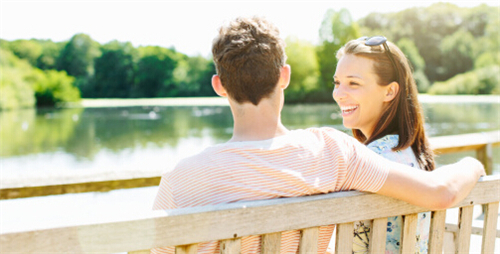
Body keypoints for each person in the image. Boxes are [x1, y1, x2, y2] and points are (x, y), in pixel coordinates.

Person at [152, 17, 484, 254]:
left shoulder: (180, 181)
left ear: (219, 86)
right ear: (284, 76)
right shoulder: (332, 151)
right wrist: (473, 163)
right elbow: (440, 192)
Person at [333, 36, 435, 254]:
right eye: (337, 83)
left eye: (353, 83)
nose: (338, 94)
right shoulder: (414, 154)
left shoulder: (367, 162)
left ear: (389, 92)